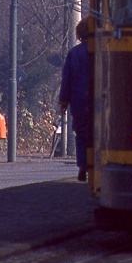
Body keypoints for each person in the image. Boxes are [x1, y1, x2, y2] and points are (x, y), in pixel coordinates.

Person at [59, 19, 92, 182]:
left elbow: (67, 80)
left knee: (81, 133)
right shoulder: (103, 50)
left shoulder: (74, 53)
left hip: (79, 100)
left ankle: (83, 165)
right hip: (100, 99)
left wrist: (63, 102)